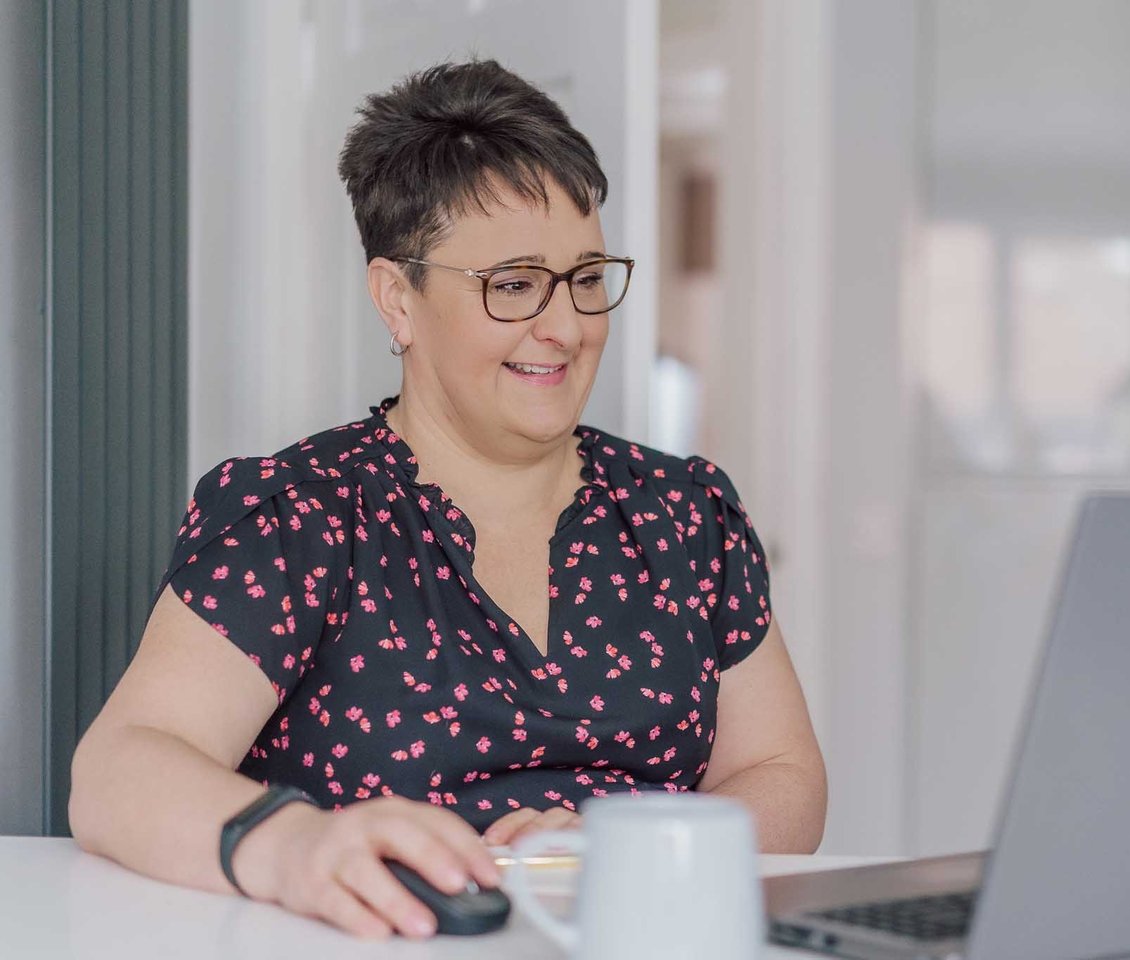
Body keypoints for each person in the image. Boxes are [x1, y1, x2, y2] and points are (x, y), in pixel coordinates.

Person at [68, 59, 827, 940]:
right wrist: (300, 848)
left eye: (586, 278)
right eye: (513, 285)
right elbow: (121, 768)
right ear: (399, 299)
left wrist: (631, 848)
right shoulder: (303, 518)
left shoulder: (685, 515)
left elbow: (784, 774)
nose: (568, 326)